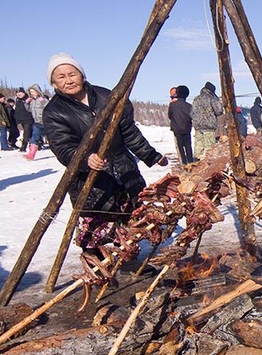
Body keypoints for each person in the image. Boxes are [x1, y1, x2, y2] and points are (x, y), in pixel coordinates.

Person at [42, 53, 168, 252]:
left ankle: (127, 261)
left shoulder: (107, 96)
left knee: (128, 219)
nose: (69, 80)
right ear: (54, 83)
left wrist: (151, 155)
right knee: (94, 227)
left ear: (82, 75)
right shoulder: (54, 111)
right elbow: (62, 146)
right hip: (90, 178)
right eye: (61, 77)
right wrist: (85, 158)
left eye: (72, 74)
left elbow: (128, 131)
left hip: (122, 166)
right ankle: (96, 267)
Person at [191, 81, 224, 159]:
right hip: (209, 127)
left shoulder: (196, 99)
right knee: (209, 149)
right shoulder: (212, 98)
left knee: (198, 149)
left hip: (198, 127)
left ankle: (197, 163)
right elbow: (219, 111)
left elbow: (192, 113)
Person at [168, 85, 194, 165]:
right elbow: (192, 117)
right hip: (186, 129)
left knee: (180, 148)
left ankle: (183, 163)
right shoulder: (189, 106)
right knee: (188, 147)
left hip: (177, 129)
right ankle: (190, 162)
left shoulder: (172, 105)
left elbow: (170, 115)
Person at [24, 84, 48, 160]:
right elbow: (29, 110)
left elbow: (48, 106)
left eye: (33, 91)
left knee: (51, 137)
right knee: (34, 137)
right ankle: (31, 154)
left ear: (37, 91)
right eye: (31, 92)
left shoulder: (41, 99)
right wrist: (26, 103)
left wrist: (42, 100)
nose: (32, 93)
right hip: (37, 122)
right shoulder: (32, 101)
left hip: (45, 121)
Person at [14, 87, 34, 152]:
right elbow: (17, 111)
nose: (18, 94)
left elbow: (38, 101)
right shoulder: (17, 100)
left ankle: (23, 147)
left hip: (28, 119)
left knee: (26, 133)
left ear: (23, 93)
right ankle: (35, 144)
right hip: (20, 119)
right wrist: (17, 120)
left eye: (20, 92)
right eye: (17, 93)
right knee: (28, 133)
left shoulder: (28, 99)